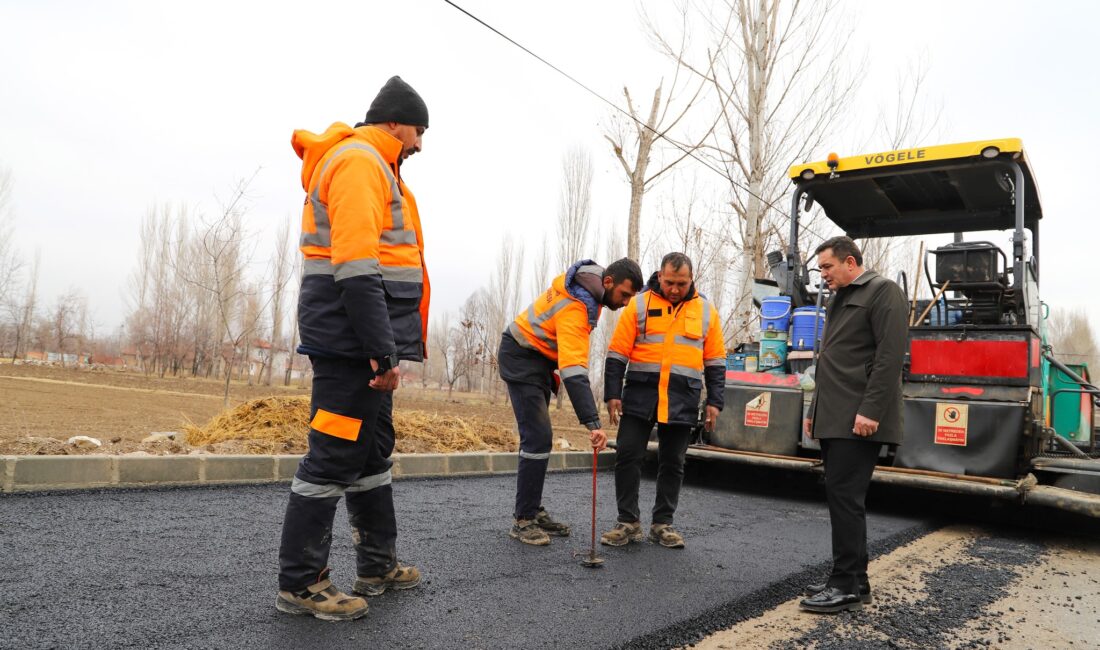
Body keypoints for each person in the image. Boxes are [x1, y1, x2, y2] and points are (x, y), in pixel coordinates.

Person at [276, 76, 431, 621]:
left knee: (369, 454)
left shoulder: (373, 163)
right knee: (332, 458)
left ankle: (376, 564)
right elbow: (357, 266)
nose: (418, 143)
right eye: (417, 131)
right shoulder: (362, 162)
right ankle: (301, 585)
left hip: (361, 342)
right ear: (394, 122)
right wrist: (381, 351)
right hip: (351, 346)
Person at [499, 258, 643, 546]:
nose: (626, 303)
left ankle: (532, 509)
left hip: (536, 360)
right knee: (537, 437)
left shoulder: (588, 291)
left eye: (631, 298)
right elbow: (574, 371)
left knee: (539, 438)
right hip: (521, 357)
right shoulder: (576, 306)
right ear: (608, 282)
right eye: (624, 295)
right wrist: (593, 422)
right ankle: (523, 520)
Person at [799, 236, 908, 614]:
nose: (822, 275)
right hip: (836, 412)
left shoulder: (883, 292)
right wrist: (814, 409)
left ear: (849, 262)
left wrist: (871, 411)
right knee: (842, 496)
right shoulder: (841, 297)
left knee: (845, 498)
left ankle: (844, 583)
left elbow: (891, 357)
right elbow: (831, 360)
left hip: (859, 416)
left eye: (827, 267)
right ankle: (855, 580)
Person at [600, 252, 726, 549]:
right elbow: (617, 353)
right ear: (660, 275)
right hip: (641, 395)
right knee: (628, 455)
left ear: (691, 280)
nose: (673, 288)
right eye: (669, 282)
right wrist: (612, 394)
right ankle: (627, 521)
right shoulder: (639, 304)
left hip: (682, 397)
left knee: (673, 462)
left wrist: (715, 402)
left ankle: (662, 524)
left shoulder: (706, 311)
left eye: (681, 284)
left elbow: (716, 361)